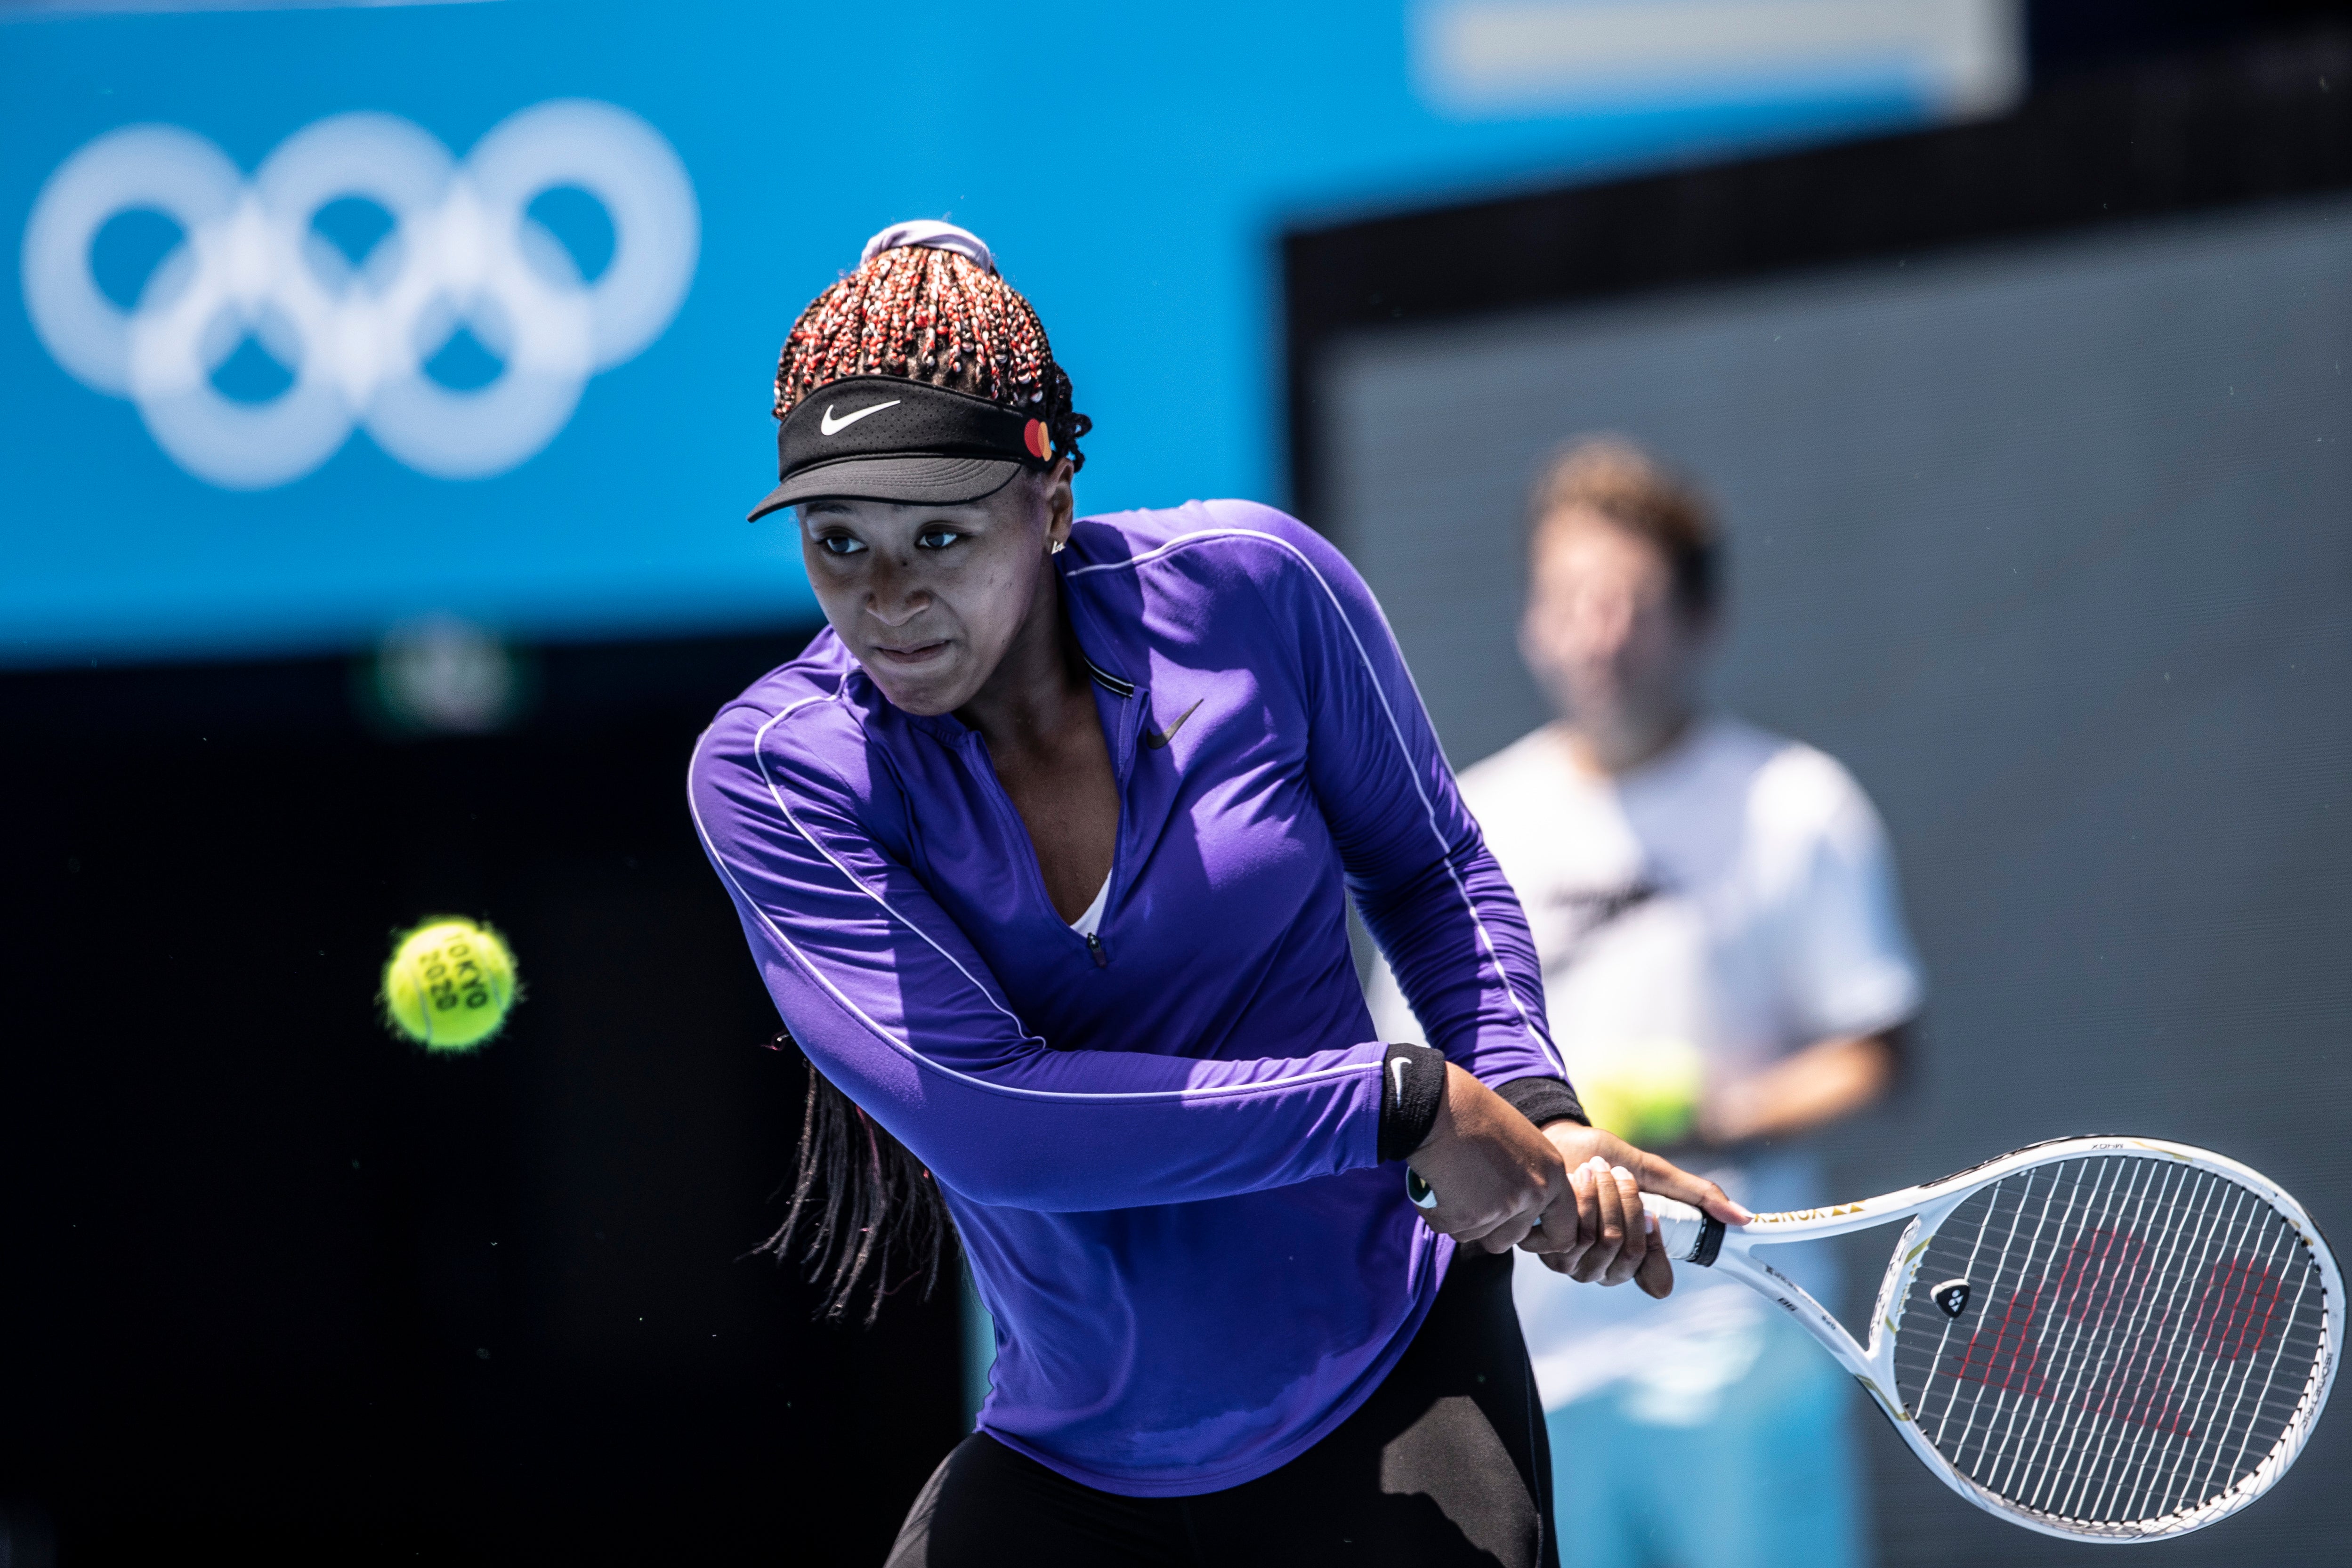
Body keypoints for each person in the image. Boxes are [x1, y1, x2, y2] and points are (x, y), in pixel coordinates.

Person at [687, 224, 1747, 1568]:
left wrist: (1533, 1103)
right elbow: (994, 1118)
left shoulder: (1258, 591)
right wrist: (1403, 1105)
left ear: (1052, 501)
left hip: (1397, 1384)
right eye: (837, 543)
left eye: (940, 535)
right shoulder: (778, 774)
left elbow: (1426, 869)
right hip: (1070, 1460)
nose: (885, 599)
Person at [1367, 437, 1924, 1568]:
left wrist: (1706, 1123)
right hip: (1525, 1369)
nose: (1599, 632)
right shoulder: (1468, 822)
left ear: (1699, 620)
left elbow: (1874, 1050)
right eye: (1571, 600)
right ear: (1530, 620)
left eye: (1632, 602)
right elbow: (1408, 1089)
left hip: (1735, 1354)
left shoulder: (1793, 805)